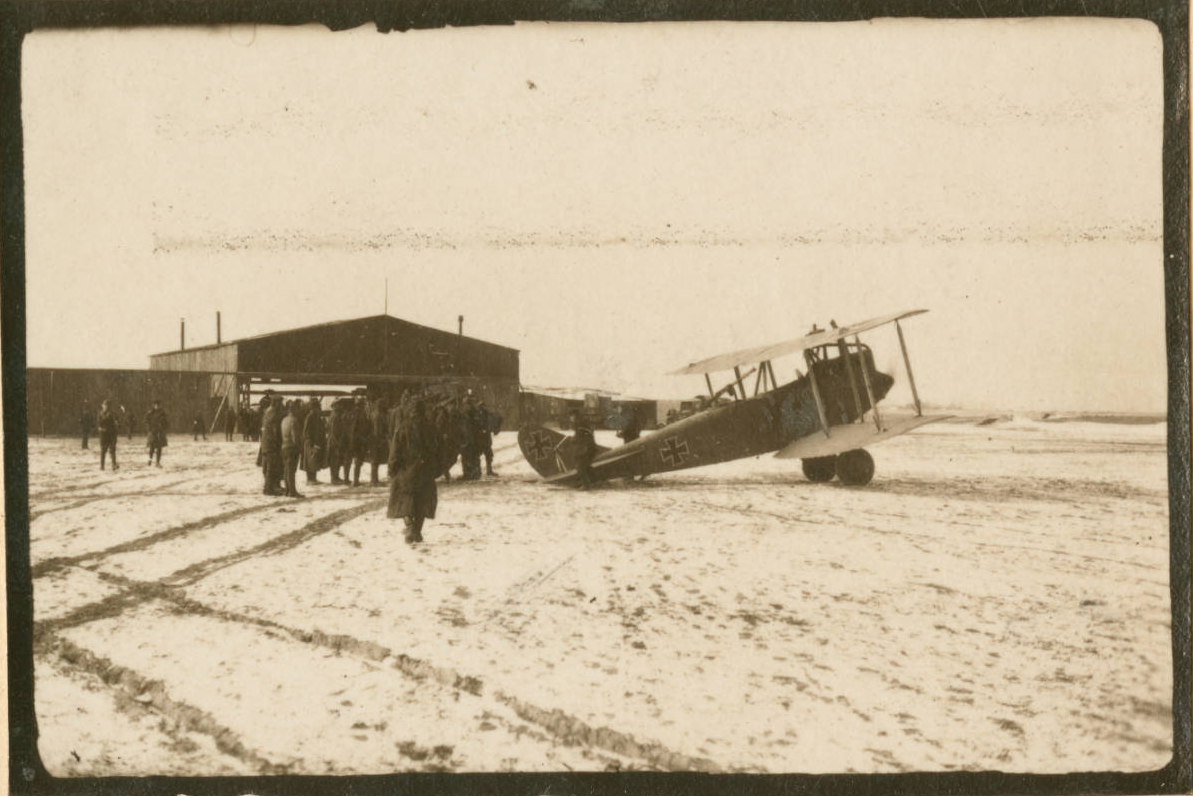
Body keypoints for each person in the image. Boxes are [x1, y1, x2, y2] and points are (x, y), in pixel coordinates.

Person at [387, 395, 438, 544]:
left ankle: (410, 527)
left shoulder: (403, 427)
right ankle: (417, 531)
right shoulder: (430, 427)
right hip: (425, 470)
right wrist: (435, 469)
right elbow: (437, 449)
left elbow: (395, 450)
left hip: (405, 471)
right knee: (423, 501)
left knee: (405, 501)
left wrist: (392, 468)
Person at [257, 395, 283, 496]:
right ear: (276, 403)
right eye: (280, 403)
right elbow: (275, 430)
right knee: (271, 467)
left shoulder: (267, 412)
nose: (281, 405)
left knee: (268, 466)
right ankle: (269, 489)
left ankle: (271, 487)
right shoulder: (273, 413)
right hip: (271, 445)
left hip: (266, 444)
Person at [348, 392, 373, 487]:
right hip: (358, 441)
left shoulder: (361, 413)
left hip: (361, 440)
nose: (364, 406)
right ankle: (355, 481)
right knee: (358, 461)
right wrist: (359, 439)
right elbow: (354, 429)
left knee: (359, 460)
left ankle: (355, 480)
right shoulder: (357, 413)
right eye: (363, 404)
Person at [280, 401, 304, 498]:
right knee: (291, 471)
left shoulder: (284, 420)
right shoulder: (294, 420)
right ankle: (292, 491)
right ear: (294, 410)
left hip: (284, 447)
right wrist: (299, 447)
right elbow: (295, 437)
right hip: (291, 448)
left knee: (286, 470)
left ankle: (287, 490)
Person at [569, 408, 596, 489]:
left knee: (580, 466)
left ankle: (586, 485)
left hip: (586, 448)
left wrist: (572, 439)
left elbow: (580, 437)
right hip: (590, 447)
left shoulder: (579, 424)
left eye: (570, 416)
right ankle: (588, 482)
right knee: (586, 466)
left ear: (574, 416)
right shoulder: (583, 422)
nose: (570, 418)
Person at [326, 398, 351, 485]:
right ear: (335, 406)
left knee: (337, 460)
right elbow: (334, 431)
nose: (341, 406)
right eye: (339, 404)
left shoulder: (337, 415)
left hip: (336, 441)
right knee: (334, 460)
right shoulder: (335, 416)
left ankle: (336, 477)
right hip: (334, 442)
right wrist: (338, 443)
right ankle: (334, 478)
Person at [301, 396, 326, 484]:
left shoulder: (316, 417)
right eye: (318, 407)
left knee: (314, 461)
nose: (320, 409)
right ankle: (310, 479)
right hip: (310, 443)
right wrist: (311, 443)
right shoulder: (310, 417)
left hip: (315, 442)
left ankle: (313, 479)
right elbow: (306, 431)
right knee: (310, 461)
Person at [369, 396, 390, 486]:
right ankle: (374, 481)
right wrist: (382, 439)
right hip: (377, 440)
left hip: (374, 439)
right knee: (375, 460)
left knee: (375, 460)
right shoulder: (378, 415)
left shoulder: (374, 414)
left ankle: (374, 479)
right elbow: (378, 430)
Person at [97, 400, 120, 470]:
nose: (106, 407)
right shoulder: (100, 414)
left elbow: (117, 423)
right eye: (104, 405)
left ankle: (113, 464)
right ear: (102, 406)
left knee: (112, 450)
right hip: (103, 435)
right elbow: (99, 423)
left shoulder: (112, 414)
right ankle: (102, 466)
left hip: (111, 435)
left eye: (107, 405)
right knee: (103, 451)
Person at [146, 399, 168, 467]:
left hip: (160, 432)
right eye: (155, 405)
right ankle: (150, 459)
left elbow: (166, 422)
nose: (157, 406)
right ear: (154, 405)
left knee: (159, 447)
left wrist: (163, 428)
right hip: (153, 431)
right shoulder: (150, 412)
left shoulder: (162, 413)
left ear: (160, 405)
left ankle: (157, 462)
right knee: (152, 447)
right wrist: (149, 428)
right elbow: (146, 420)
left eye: (158, 405)